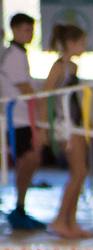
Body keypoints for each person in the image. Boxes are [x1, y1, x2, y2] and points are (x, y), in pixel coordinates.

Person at [38, 24, 85, 240]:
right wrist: (42, 128)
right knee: (77, 172)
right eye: (82, 42)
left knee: (80, 173)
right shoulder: (58, 68)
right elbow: (45, 97)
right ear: (71, 43)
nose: (85, 46)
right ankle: (60, 219)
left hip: (74, 123)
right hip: (63, 125)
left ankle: (71, 221)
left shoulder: (73, 68)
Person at [0, 13, 42, 232]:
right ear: (14, 30)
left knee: (31, 160)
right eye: (26, 30)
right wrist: (43, 113)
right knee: (29, 159)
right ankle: (19, 207)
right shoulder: (14, 56)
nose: (30, 34)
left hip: (23, 119)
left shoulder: (19, 54)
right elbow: (26, 90)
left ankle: (21, 206)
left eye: (32, 30)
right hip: (17, 120)